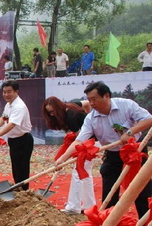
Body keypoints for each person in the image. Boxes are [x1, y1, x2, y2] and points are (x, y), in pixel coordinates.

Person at [55, 81, 152, 218]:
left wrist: (130, 132)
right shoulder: (91, 118)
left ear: (106, 96)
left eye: (94, 99)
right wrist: (62, 159)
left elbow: (148, 120)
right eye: (89, 100)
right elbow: (79, 140)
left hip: (135, 151)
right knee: (109, 192)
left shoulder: (126, 105)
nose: (91, 104)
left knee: (141, 190)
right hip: (112, 155)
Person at [42, 96, 95, 214]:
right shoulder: (71, 104)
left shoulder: (71, 116)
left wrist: (62, 158)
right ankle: (89, 206)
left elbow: (80, 139)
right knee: (85, 173)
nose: (52, 114)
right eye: (49, 112)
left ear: (58, 107)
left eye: (53, 111)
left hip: (90, 142)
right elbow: (86, 104)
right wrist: (89, 119)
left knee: (79, 171)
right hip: (87, 139)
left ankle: (73, 207)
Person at [0, 81, 33, 190]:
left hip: (23, 140)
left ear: (16, 92)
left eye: (9, 92)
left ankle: (24, 191)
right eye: (4, 92)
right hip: (13, 140)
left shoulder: (19, 106)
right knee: (15, 167)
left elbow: (12, 124)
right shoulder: (8, 104)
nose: (6, 95)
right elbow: (4, 117)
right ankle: (18, 189)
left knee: (23, 168)